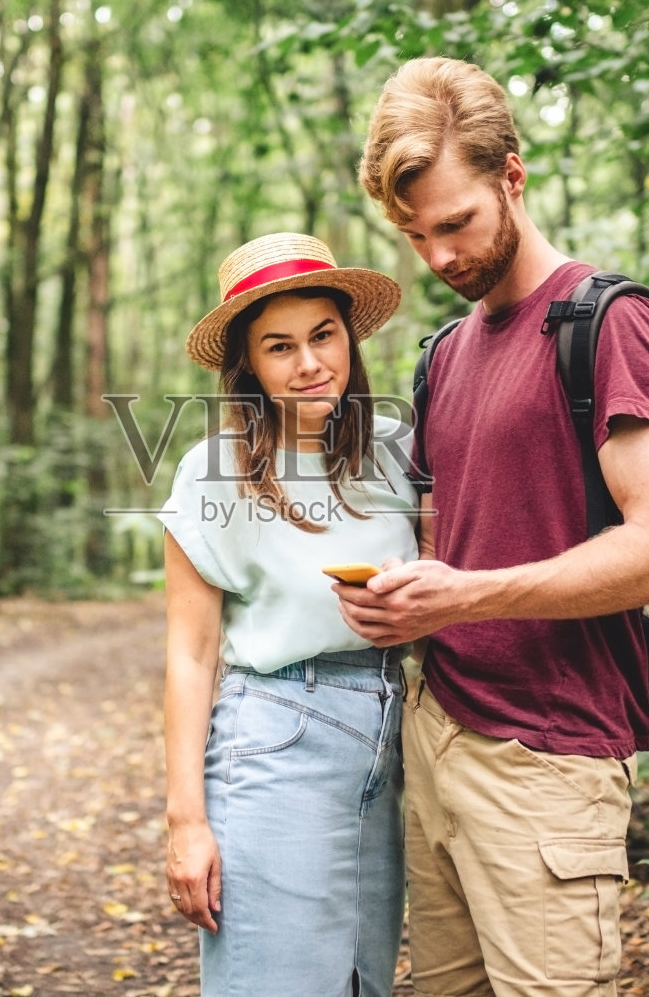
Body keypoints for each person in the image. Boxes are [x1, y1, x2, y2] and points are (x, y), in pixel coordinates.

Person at [335, 57, 649, 997]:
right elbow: (450, 541)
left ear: (512, 176)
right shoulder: (444, 355)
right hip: (437, 734)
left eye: (455, 222)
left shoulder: (608, 322)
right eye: (415, 235)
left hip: (550, 755)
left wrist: (466, 596)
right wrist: (397, 597)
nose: (440, 257)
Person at [161, 231, 418, 996]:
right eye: (280, 346)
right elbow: (189, 656)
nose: (309, 362)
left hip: (391, 745)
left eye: (323, 335)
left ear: (349, 339)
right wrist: (186, 823)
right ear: (249, 364)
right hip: (277, 741)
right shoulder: (214, 472)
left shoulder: (400, 451)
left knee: (360, 983)